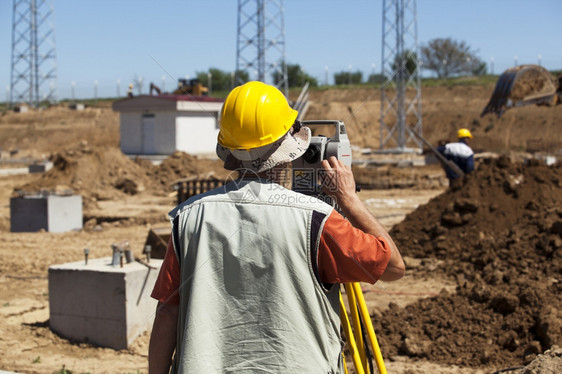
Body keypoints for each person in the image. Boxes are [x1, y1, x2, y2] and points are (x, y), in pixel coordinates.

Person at [148, 81, 405, 373]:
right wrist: (349, 201)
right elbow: (394, 267)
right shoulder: (318, 222)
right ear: (291, 148)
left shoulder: (189, 218)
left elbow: (167, 310)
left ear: (228, 149)